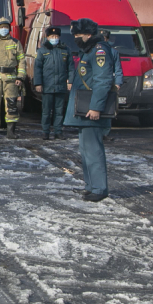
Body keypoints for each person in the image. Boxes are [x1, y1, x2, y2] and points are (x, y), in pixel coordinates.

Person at [64, 17, 116, 202]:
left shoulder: (99, 51)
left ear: (88, 34)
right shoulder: (88, 51)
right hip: (83, 110)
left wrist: (96, 107)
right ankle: (90, 185)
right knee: (86, 150)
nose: (76, 38)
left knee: (93, 149)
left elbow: (103, 81)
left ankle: (100, 188)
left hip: (91, 110)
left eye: (78, 35)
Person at [0, 17, 26, 139]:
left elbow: (22, 61)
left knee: (12, 104)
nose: (4, 29)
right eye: (1, 27)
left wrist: (20, 77)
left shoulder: (15, 43)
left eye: (6, 27)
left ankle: (11, 132)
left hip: (11, 79)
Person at [35, 26, 72, 140]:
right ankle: (45, 132)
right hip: (47, 86)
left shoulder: (65, 49)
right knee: (46, 111)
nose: (54, 38)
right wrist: (38, 84)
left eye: (56, 36)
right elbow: (37, 69)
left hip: (60, 85)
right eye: (52, 36)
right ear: (47, 37)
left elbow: (70, 67)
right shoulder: (42, 51)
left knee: (59, 111)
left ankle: (58, 131)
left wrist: (70, 81)